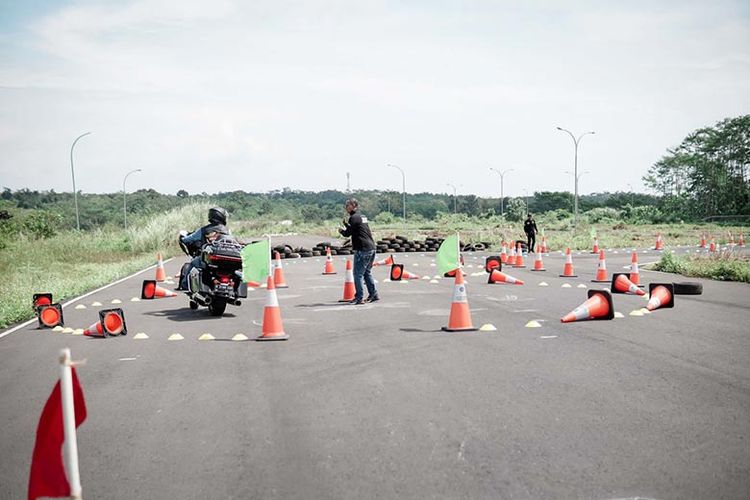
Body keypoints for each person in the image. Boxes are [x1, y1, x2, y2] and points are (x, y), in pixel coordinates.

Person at [179, 207, 232, 290]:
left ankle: (185, 284)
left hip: (208, 257)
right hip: (223, 257)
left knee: (193, 263)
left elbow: (189, 239)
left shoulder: (204, 230)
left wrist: (182, 238)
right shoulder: (227, 230)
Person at [339, 198, 378, 304]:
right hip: (371, 248)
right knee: (366, 273)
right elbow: (356, 228)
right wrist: (347, 225)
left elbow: (348, 233)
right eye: (346, 205)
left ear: (355, 206)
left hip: (363, 249)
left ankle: (359, 297)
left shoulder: (353, 217)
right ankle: (373, 294)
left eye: (349, 205)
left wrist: (341, 230)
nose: (347, 207)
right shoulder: (362, 217)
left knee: (357, 274)